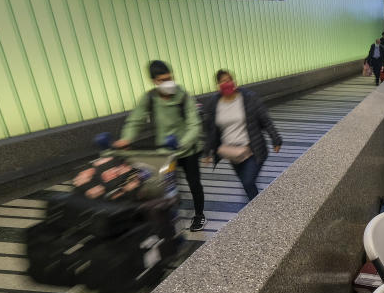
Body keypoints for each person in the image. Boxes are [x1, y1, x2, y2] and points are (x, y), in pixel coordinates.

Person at [116, 60, 206, 231]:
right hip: (165, 152)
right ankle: (169, 217)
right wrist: (126, 138)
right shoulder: (149, 98)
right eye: (162, 80)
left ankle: (199, 215)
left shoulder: (184, 96)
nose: (168, 83)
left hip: (188, 149)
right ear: (154, 81)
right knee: (162, 186)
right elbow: (135, 120)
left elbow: (194, 124)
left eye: (169, 78)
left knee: (194, 183)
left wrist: (182, 143)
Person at [201, 70, 282, 200]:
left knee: (248, 182)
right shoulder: (214, 104)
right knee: (247, 184)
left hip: (253, 149)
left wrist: (276, 139)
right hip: (232, 152)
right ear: (217, 85)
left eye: (229, 80)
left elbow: (265, 119)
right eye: (222, 81)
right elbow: (210, 131)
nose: (226, 83)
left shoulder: (249, 97)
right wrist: (206, 152)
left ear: (234, 81)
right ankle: (254, 205)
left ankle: (258, 210)